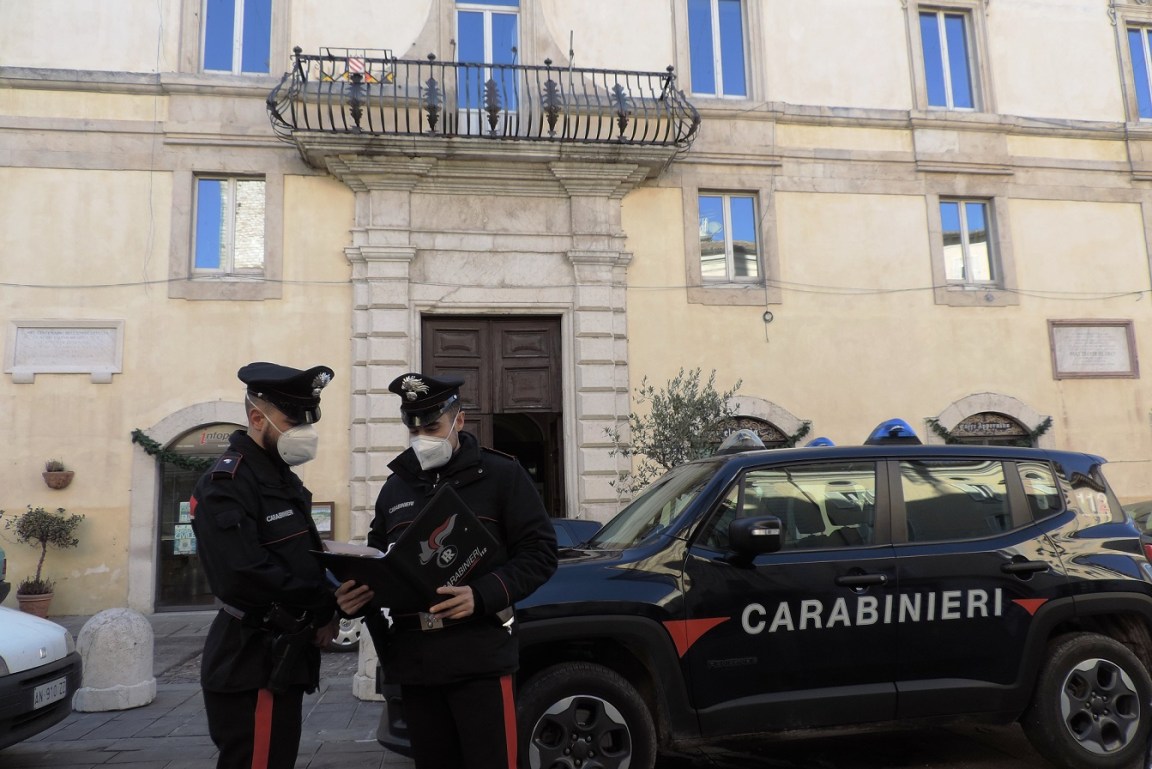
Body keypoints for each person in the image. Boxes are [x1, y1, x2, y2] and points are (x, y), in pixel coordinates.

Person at [336, 371, 558, 769]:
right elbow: (376, 558)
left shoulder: (502, 475)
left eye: (432, 425)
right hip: (416, 663)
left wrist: (483, 593)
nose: (422, 434)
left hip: (479, 658)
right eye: (413, 425)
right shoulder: (395, 488)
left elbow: (540, 553)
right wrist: (355, 594)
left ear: (459, 419)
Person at [189, 362, 339, 769]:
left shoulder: (280, 476)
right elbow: (244, 573)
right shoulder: (228, 484)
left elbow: (298, 556)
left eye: (309, 421)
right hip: (251, 659)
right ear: (258, 418)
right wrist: (324, 600)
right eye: (294, 422)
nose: (305, 433)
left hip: (280, 656)